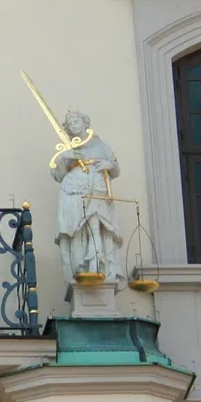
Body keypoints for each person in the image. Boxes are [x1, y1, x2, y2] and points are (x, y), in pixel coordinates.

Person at [52, 110, 122, 283]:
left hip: (97, 189)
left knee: (97, 228)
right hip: (73, 191)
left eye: (76, 121)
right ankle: (79, 269)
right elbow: (57, 175)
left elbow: (115, 169)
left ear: (85, 123)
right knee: (75, 229)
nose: (73, 125)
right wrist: (64, 159)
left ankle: (98, 266)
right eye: (70, 124)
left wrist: (108, 165)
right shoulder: (67, 148)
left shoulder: (101, 146)